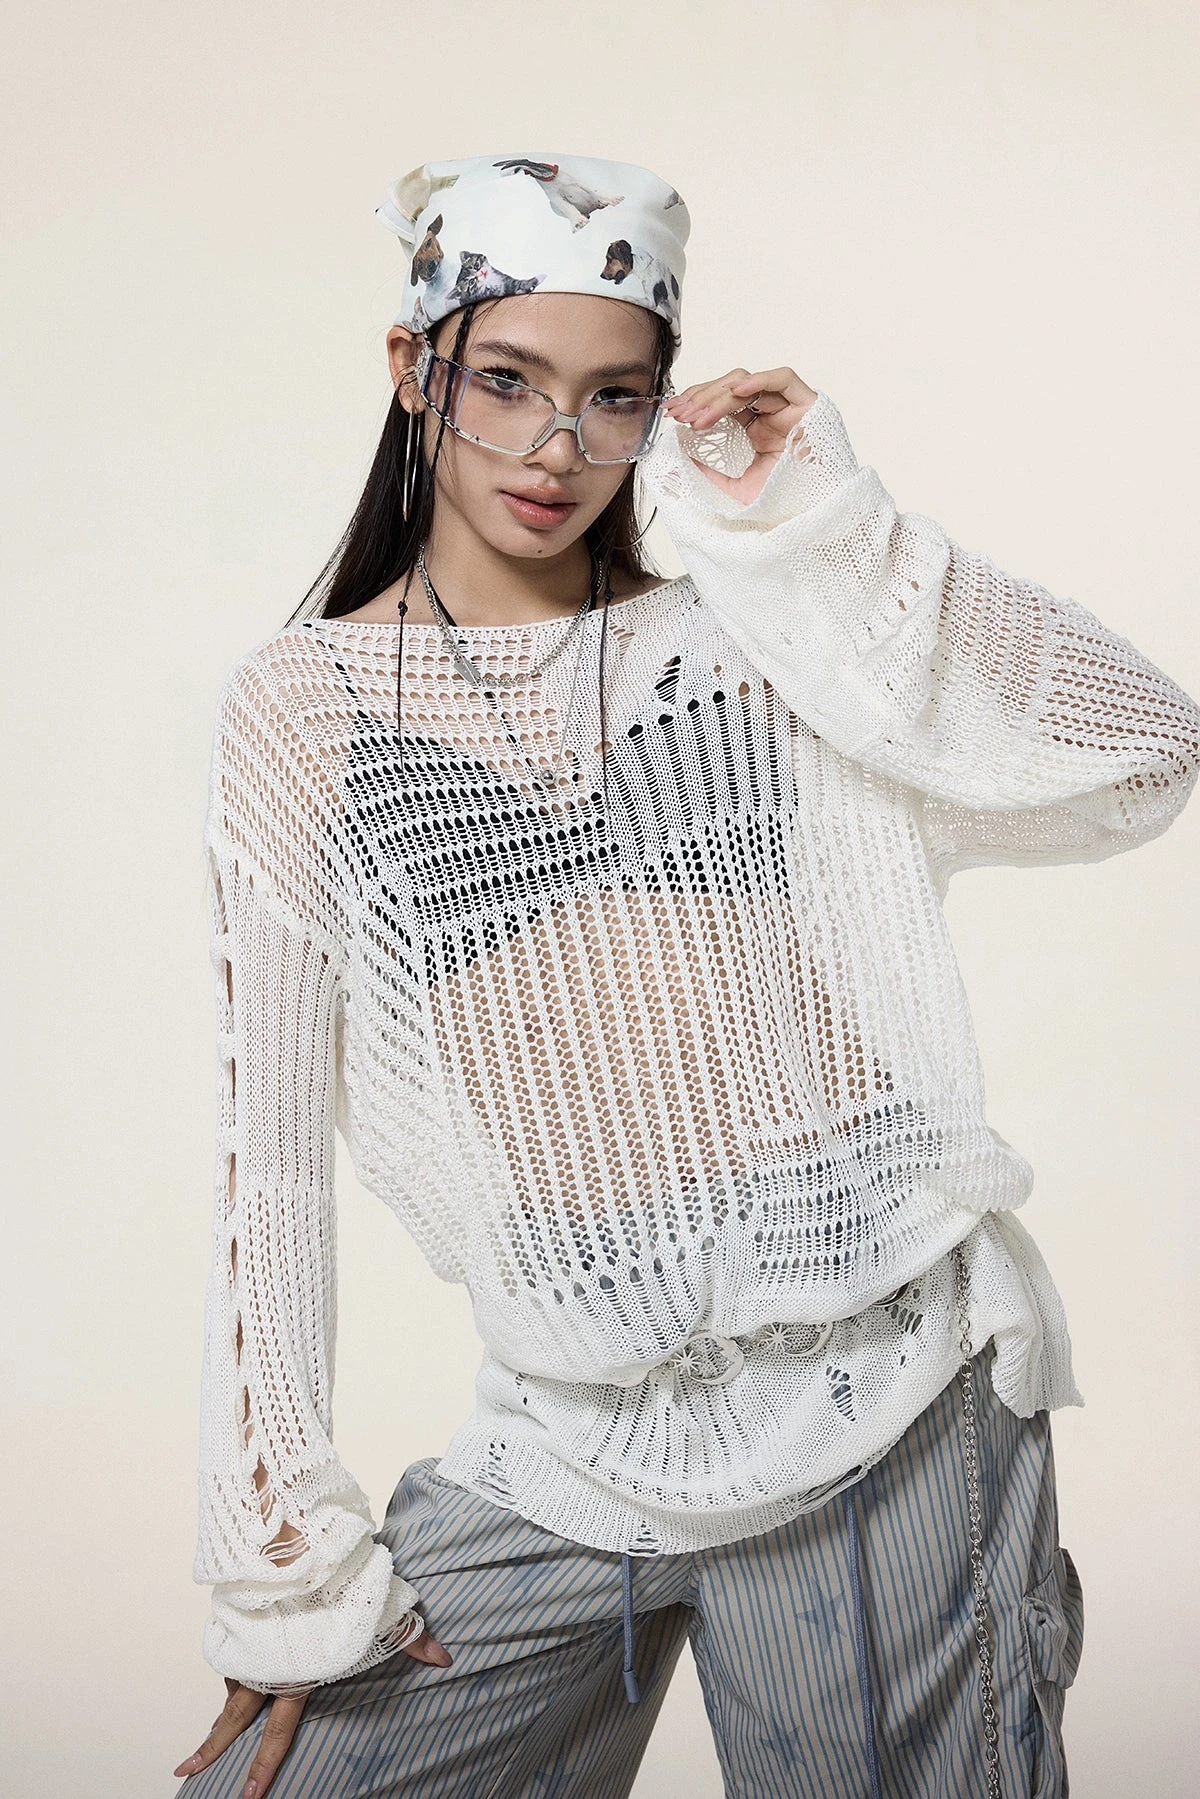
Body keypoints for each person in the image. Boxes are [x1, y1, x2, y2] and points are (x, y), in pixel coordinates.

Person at [173, 153, 1200, 1799]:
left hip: (885, 1397)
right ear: (415, 367)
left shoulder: (749, 629)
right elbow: (272, 1160)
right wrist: (280, 1542)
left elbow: (1143, 748)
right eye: (508, 382)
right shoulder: (301, 711)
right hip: (570, 1438)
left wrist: (827, 535)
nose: (555, 449)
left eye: (613, 398)